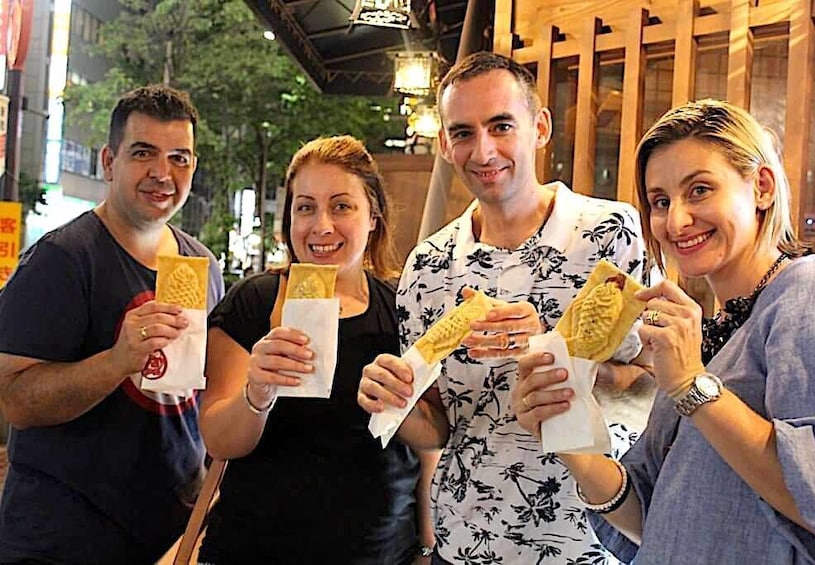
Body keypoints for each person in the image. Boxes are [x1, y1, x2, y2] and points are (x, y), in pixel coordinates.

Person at [513, 99, 815, 563]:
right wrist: (564, 432)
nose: (676, 221)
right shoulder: (703, 333)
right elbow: (649, 517)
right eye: (661, 201)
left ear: (762, 187)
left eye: (700, 190)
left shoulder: (809, 287)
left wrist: (692, 383)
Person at [357, 52, 654, 564]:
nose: (484, 150)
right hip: (465, 542)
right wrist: (396, 401)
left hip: (589, 542)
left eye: (501, 126)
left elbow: (653, 386)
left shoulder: (609, 234)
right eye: (464, 133)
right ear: (446, 144)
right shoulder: (429, 267)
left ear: (539, 127)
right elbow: (441, 426)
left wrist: (557, 352)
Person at [0, 85, 224, 563]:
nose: (162, 173)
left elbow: (200, 400)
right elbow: (14, 400)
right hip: (63, 537)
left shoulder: (202, 265)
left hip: (167, 531)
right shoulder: (61, 259)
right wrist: (118, 361)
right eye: (143, 153)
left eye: (179, 158)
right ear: (108, 162)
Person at [197, 135, 436, 564]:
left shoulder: (404, 307)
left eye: (341, 206)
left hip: (380, 551)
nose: (322, 225)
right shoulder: (255, 302)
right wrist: (257, 392)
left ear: (373, 217)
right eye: (305, 207)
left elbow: (428, 446)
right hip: (255, 549)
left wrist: (427, 542)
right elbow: (218, 439)